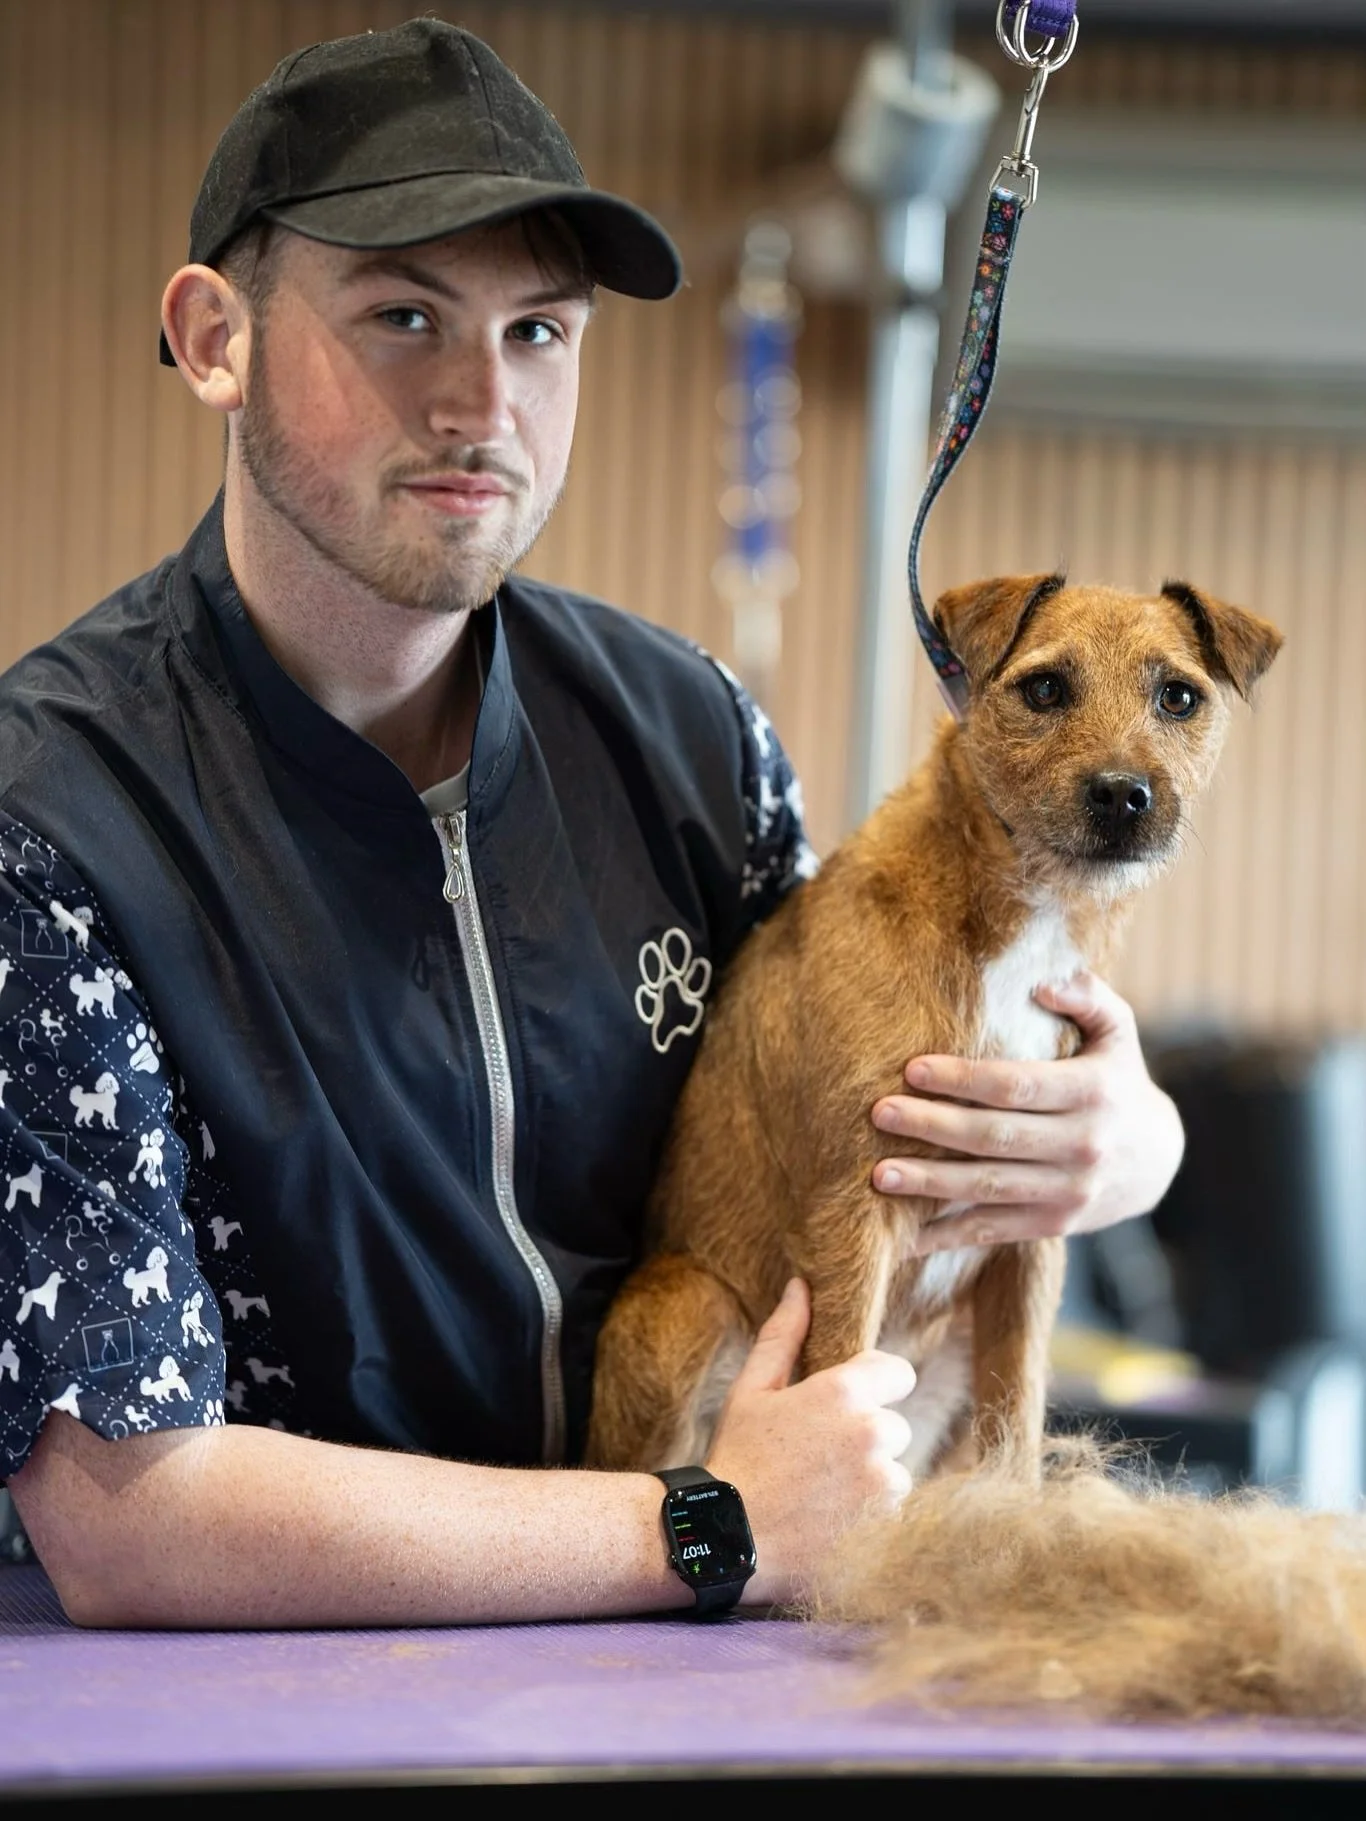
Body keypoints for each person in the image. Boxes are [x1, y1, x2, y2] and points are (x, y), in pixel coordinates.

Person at [0, 17, 1183, 1628]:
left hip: (675, 1685)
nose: (482, 403)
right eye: (403, 316)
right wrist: (695, 1526)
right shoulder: (55, 826)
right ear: (215, 337)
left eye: (539, 333)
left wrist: (1124, 1146)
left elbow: (844, 1125)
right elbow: (129, 1521)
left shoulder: (686, 734)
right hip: (239, 1712)